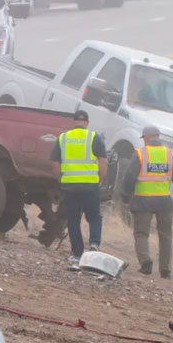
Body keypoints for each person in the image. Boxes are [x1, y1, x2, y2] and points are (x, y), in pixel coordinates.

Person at [122, 126, 173, 279]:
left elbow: (129, 177)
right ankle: (166, 270)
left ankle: (146, 263)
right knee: (166, 235)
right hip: (164, 201)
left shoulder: (141, 154)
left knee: (141, 233)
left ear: (147, 137)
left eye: (143, 138)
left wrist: (125, 197)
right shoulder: (170, 154)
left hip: (143, 200)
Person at [51, 109, 107, 264]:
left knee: (73, 220)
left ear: (73, 122)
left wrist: (60, 179)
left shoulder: (63, 138)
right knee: (94, 216)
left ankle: (77, 254)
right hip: (90, 186)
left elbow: (55, 163)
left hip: (69, 186)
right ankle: (94, 244)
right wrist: (100, 180)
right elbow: (103, 161)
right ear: (87, 123)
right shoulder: (94, 137)